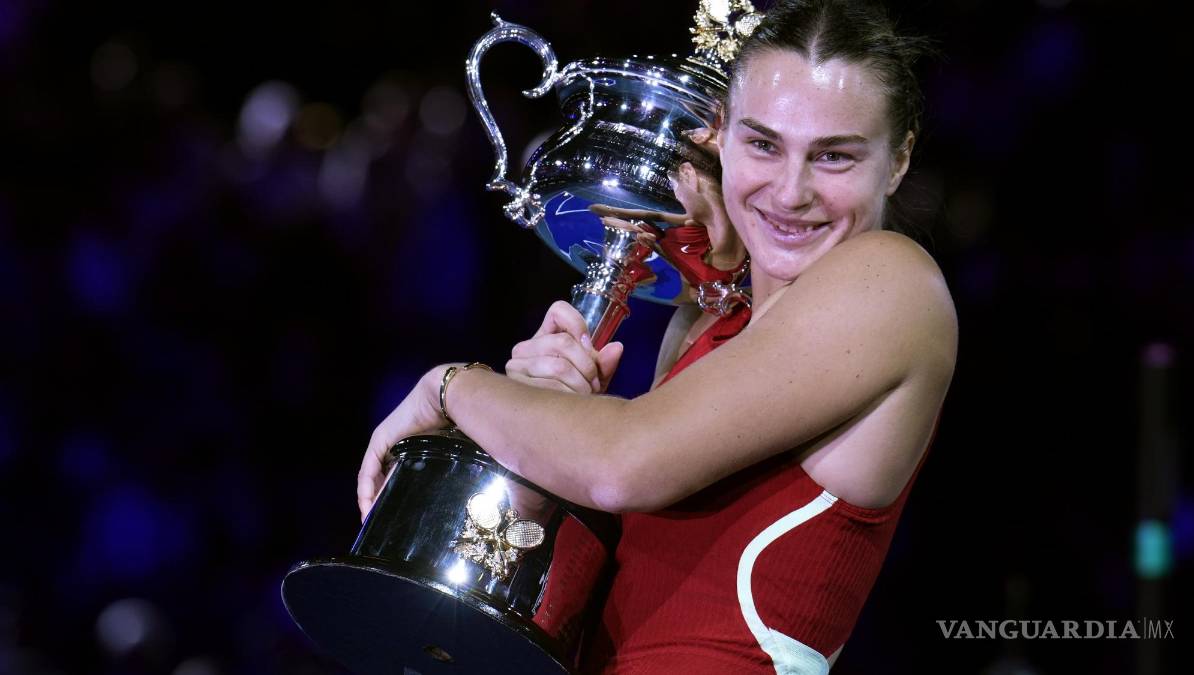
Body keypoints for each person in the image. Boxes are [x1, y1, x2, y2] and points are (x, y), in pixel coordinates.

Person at [357, 1, 955, 672]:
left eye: (834, 156)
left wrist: (451, 387)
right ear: (720, 138)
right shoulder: (703, 322)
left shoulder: (891, 279)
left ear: (898, 160)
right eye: (763, 144)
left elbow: (621, 464)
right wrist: (541, 428)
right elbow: (593, 589)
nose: (791, 192)